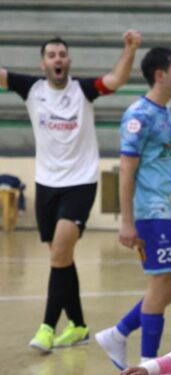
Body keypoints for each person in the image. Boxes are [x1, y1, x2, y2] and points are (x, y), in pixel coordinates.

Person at [0, 29, 141, 352]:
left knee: (60, 251)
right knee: (61, 257)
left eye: (62, 54)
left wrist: (129, 49)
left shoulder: (83, 90)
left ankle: (48, 327)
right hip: (46, 184)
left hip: (80, 183)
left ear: (69, 60)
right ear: (43, 62)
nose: (57, 59)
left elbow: (116, 80)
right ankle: (78, 325)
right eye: (51, 55)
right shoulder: (32, 88)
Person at [94, 46, 171, 370]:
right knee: (161, 286)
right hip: (150, 215)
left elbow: (169, 166)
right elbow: (126, 170)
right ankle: (148, 362)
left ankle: (117, 333)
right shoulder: (139, 115)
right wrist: (126, 222)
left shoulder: (165, 113)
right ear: (160, 75)